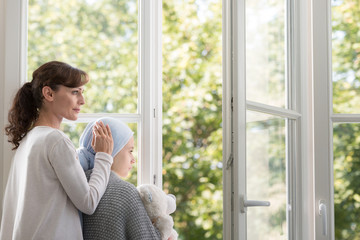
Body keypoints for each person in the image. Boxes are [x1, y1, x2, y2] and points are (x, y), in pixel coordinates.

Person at [0, 61, 114, 240]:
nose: (82, 101)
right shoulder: (55, 140)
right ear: (49, 93)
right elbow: (89, 202)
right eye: (75, 92)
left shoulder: (28, 139)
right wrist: (104, 156)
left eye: (82, 92)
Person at [78, 117, 162, 240]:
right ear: (113, 149)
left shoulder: (76, 184)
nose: (133, 159)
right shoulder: (125, 192)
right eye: (130, 151)